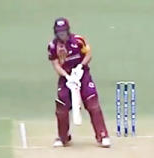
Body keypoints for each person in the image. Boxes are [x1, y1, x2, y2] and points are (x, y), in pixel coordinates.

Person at [47, 17, 111, 148]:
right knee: (61, 107)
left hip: (82, 75)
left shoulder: (78, 40)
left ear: (68, 30)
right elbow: (56, 65)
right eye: (59, 32)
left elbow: (88, 54)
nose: (62, 34)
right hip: (66, 78)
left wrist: (80, 67)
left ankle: (103, 135)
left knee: (93, 103)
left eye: (63, 32)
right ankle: (63, 137)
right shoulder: (53, 46)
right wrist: (67, 76)